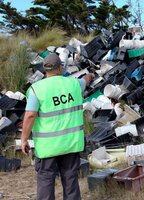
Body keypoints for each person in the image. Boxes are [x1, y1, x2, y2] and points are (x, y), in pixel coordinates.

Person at [21, 53, 94, 200]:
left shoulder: (36, 89)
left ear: (45, 69)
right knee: (70, 179)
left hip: (48, 147)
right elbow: (85, 81)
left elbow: (30, 115)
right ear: (60, 68)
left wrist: (23, 139)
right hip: (70, 144)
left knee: (46, 181)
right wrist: (90, 75)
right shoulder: (74, 84)